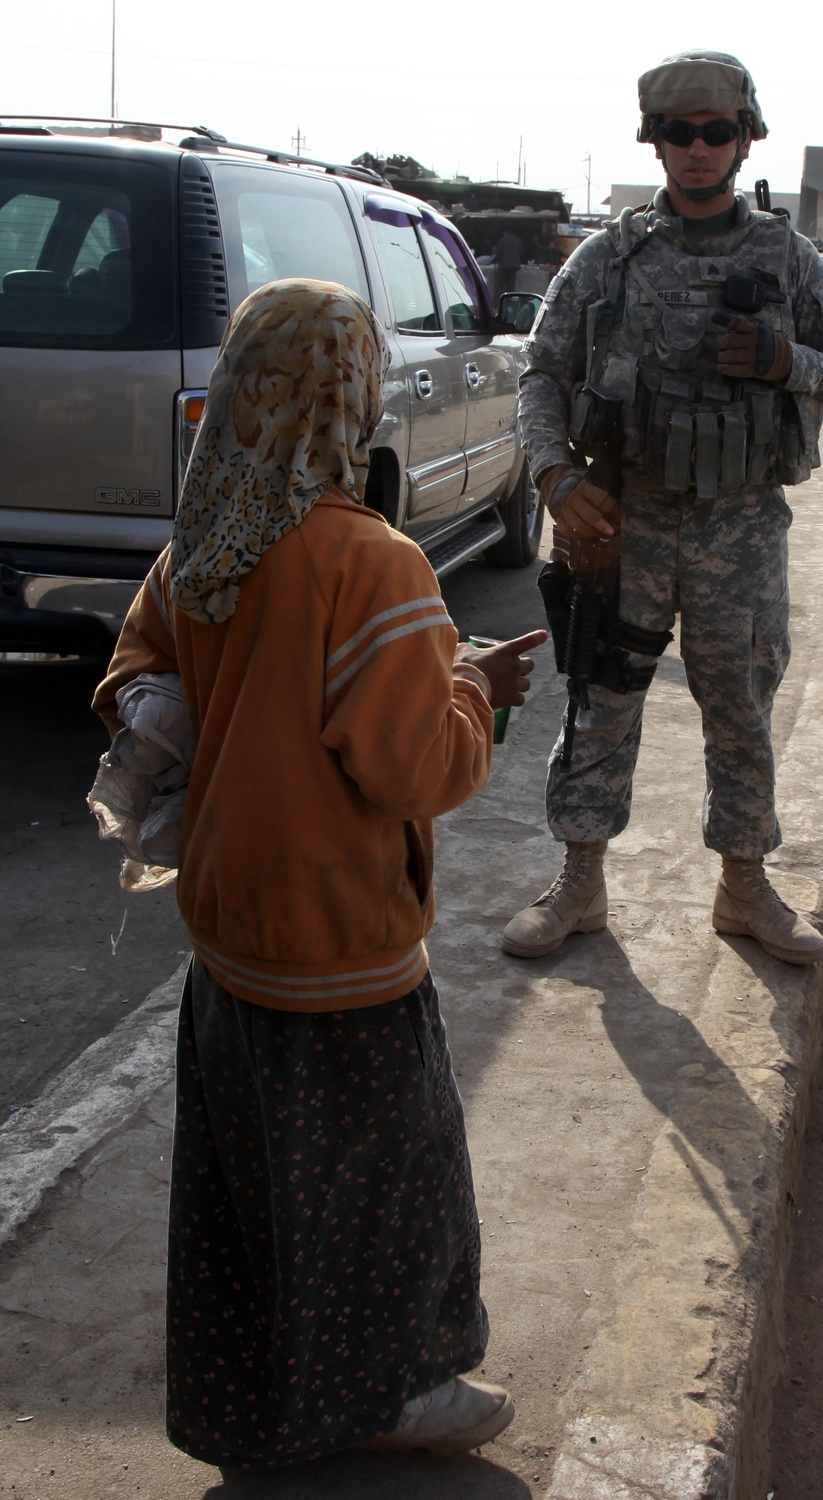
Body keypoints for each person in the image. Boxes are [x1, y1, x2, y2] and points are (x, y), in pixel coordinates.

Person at [92, 279, 546, 1471]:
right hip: (340, 943)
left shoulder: (204, 542)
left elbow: (137, 682)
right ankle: (396, 1390)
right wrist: (475, 691)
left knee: (252, 1190)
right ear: (352, 396)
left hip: (228, 935)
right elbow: (413, 768)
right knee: (384, 1187)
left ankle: (249, 1406)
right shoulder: (370, 561)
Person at [501, 50, 823, 967]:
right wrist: (554, 477)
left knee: (741, 702)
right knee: (603, 696)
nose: (697, 148)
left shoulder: (788, 259)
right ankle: (580, 882)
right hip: (623, 520)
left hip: (739, 525)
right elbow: (541, 372)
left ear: (745, 140)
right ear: (654, 141)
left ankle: (745, 888)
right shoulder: (609, 257)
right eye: (678, 133)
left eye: (716, 132)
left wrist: (787, 363)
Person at [493, 228, 523, 300]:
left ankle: (498, 301)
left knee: (500, 284)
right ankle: (509, 300)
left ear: (505, 233)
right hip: (514, 265)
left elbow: (498, 253)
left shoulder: (502, 240)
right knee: (511, 285)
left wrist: (494, 260)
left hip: (504, 265)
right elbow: (521, 252)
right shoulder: (518, 240)